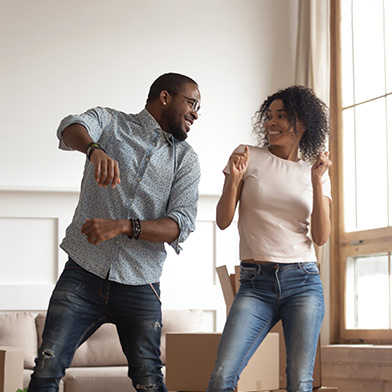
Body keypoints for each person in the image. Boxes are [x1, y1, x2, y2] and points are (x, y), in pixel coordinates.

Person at [28, 72, 201, 392]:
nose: (195, 113)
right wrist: (94, 150)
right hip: (83, 272)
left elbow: (179, 224)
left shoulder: (186, 161)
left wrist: (122, 226)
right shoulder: (110, 123)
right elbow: (70, 126)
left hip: (141, 283)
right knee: (46, 370)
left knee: (150, 380)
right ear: (165, 97)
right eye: (191, 103)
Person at [208, 85, 332, 392]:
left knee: (299, 382)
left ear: (302, 124)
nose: (271, 123)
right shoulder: (247, 156)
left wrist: (317, 182)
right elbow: (223, 221)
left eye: (282, 116)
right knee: (222, 377)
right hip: (255, 283)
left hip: (303, 282)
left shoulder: (314, 172)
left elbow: (321, 237)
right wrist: (234, 181)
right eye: (269, 116)